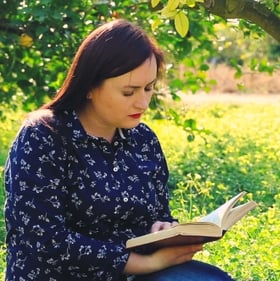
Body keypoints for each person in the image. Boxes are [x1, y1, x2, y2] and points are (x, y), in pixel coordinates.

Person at [4, 19, 235, 281]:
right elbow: (42, 240)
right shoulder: (44, 136)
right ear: (90, 86)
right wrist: (142, 264)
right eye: (129, 92)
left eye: (149, 88)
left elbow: (158, 211)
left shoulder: (143, 140)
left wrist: (163, 227)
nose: (143, 101)